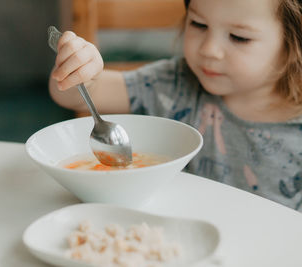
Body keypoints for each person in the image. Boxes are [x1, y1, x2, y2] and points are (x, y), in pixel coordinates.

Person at [48, 0, 302, 211]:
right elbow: (70, 96)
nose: (209, 49)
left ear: (294, 43)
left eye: (239, 37)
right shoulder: (176, 84)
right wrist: (82, 73)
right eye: (198, 24)